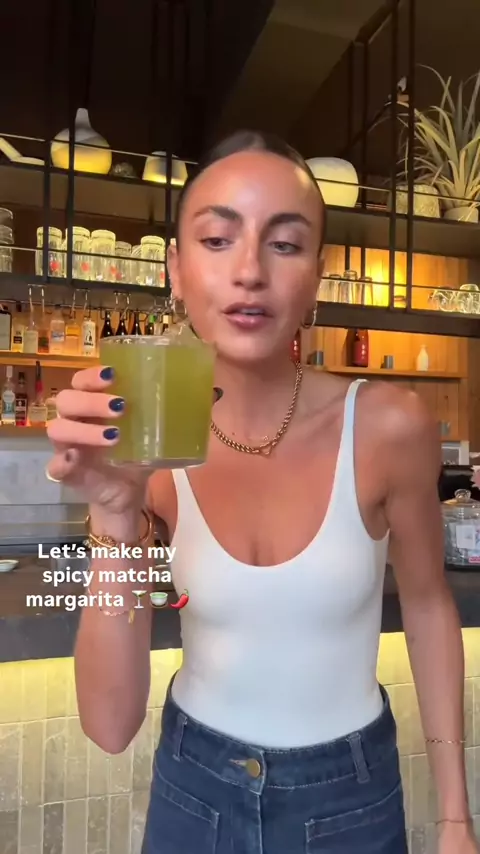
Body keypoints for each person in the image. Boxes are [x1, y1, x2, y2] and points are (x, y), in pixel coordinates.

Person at [46, 130, 477, 854]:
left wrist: (456, 819)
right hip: (193, 795)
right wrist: (115, 517)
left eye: (284, 244)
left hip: (350, 800)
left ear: (317, 275)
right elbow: (109, 726)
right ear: (176, 270)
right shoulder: (149, 442)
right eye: (218, 240)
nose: (249, 271)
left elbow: (430, 606)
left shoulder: (388, 425)